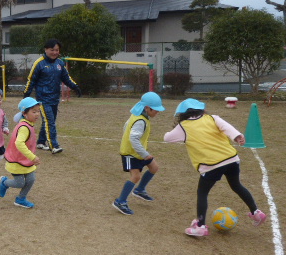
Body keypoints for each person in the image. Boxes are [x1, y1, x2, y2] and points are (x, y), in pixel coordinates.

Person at [164, 98, 268, 237]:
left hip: (211, 165)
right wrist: (237, 136)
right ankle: (256, 213)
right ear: (201, 109)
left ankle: (200, 226)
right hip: (231, 159)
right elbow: (228, 128)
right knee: (236, 185)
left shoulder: (183, 127)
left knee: (202, 193)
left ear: (182, 114)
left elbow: (168, 138)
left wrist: (168, 133)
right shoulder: (212, 118)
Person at [23, 38, 81, 154]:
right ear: (46, 50)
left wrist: (75, 87)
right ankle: (54, 145)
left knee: (50, 120)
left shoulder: (60, 63)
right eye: (52, 50)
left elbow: (66, 77)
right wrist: (26, 95)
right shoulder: (39, 63)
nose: (55, 52)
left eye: (57, 50)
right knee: (50, 121)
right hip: (43, 99)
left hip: (55, 98)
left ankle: (40, 142)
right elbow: (31, 80)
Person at [112, 92, 165, 215]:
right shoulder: (140, 120)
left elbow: (126, 126)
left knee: (154, 167)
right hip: (131, 153)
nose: (158, 112)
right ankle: (120, 201)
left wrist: (143, 152)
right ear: (147, 108)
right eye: (155, 110)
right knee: (135, 176)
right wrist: (145, 154)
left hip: (139, 151)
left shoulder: (138, 115)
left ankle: (139, 190)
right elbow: (133, 138)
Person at [0, 97, 42, 208]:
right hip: (17, 160)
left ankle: (21, 199)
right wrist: (32, 157)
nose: (37, 114)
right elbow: (19, 143)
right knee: (19, 183)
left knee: (31, 179)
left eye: (38, 111)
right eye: (34, 111)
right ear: (24, 113)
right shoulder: (24, 127)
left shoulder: (29, 124)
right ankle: (4, 182)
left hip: (25, 160)